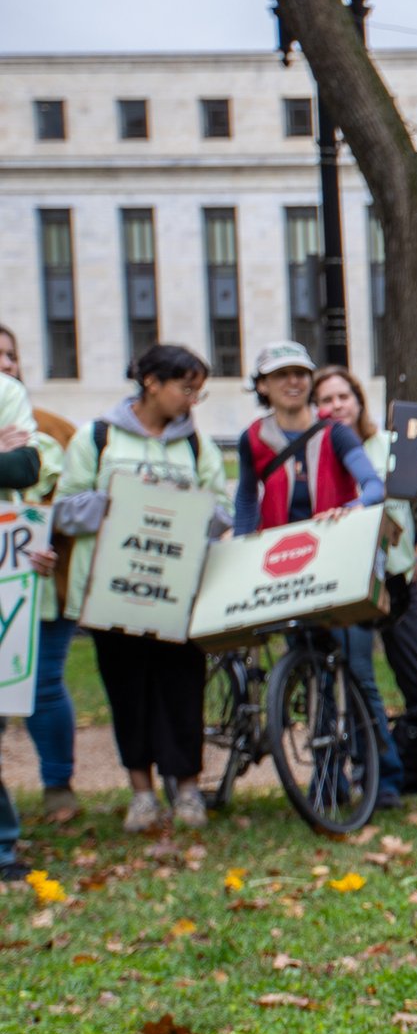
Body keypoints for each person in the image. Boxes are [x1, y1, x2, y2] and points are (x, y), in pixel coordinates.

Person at [51, 344, 229, 832]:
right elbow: (65, 509)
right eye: (186, 387)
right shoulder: (97, 438)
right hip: (114, 595)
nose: (193, 400)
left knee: (182, 689)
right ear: (152, 383)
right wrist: (116, 501)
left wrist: (187, 507)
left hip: (176, 595)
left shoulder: (196, 444)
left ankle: (188, 790)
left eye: (199, 390)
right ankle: (142, 793)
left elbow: (221, 512)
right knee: (128, 692)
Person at [235, 343, 398, 809]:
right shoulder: (253, 439)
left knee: (356, 670)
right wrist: (244, 547)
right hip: (287, 569)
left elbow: (372, 486)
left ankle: (382, 779)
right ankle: (329, 779)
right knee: (312, 675)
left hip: (340, 562)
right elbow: (247, 498)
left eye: (300, 373)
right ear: (263, 385)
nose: (293, 382)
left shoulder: (335, 433)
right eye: (281, 374)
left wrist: (345, 511)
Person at [316, 364, 417, 798]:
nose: (335, 407)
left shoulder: (389, 443)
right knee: (357, 674)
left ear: (358, 400)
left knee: (414, 676)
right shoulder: (320, 454)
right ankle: (370, 768)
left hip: (397, 575)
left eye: (342, 397)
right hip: (347, 580)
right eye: (326, 400)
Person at [0, 325, 77, 843]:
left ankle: (57, 785)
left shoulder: (47, 425)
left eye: (9, 355)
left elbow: (34, 474)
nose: (3, 364)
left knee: (40, 686)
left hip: (37, 580)